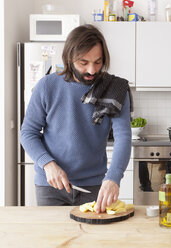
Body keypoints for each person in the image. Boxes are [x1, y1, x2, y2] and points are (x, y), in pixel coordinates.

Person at [20, 24, 132, 213]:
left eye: (98, 62)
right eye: (83, 62)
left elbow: (123, 137)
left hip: (94, 186)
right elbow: (28, 133)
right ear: (69, 58)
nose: (92, 70)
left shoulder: (115, 90)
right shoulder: (47, 86)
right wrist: (48, 164)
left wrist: (113, 177)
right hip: (52, 186)